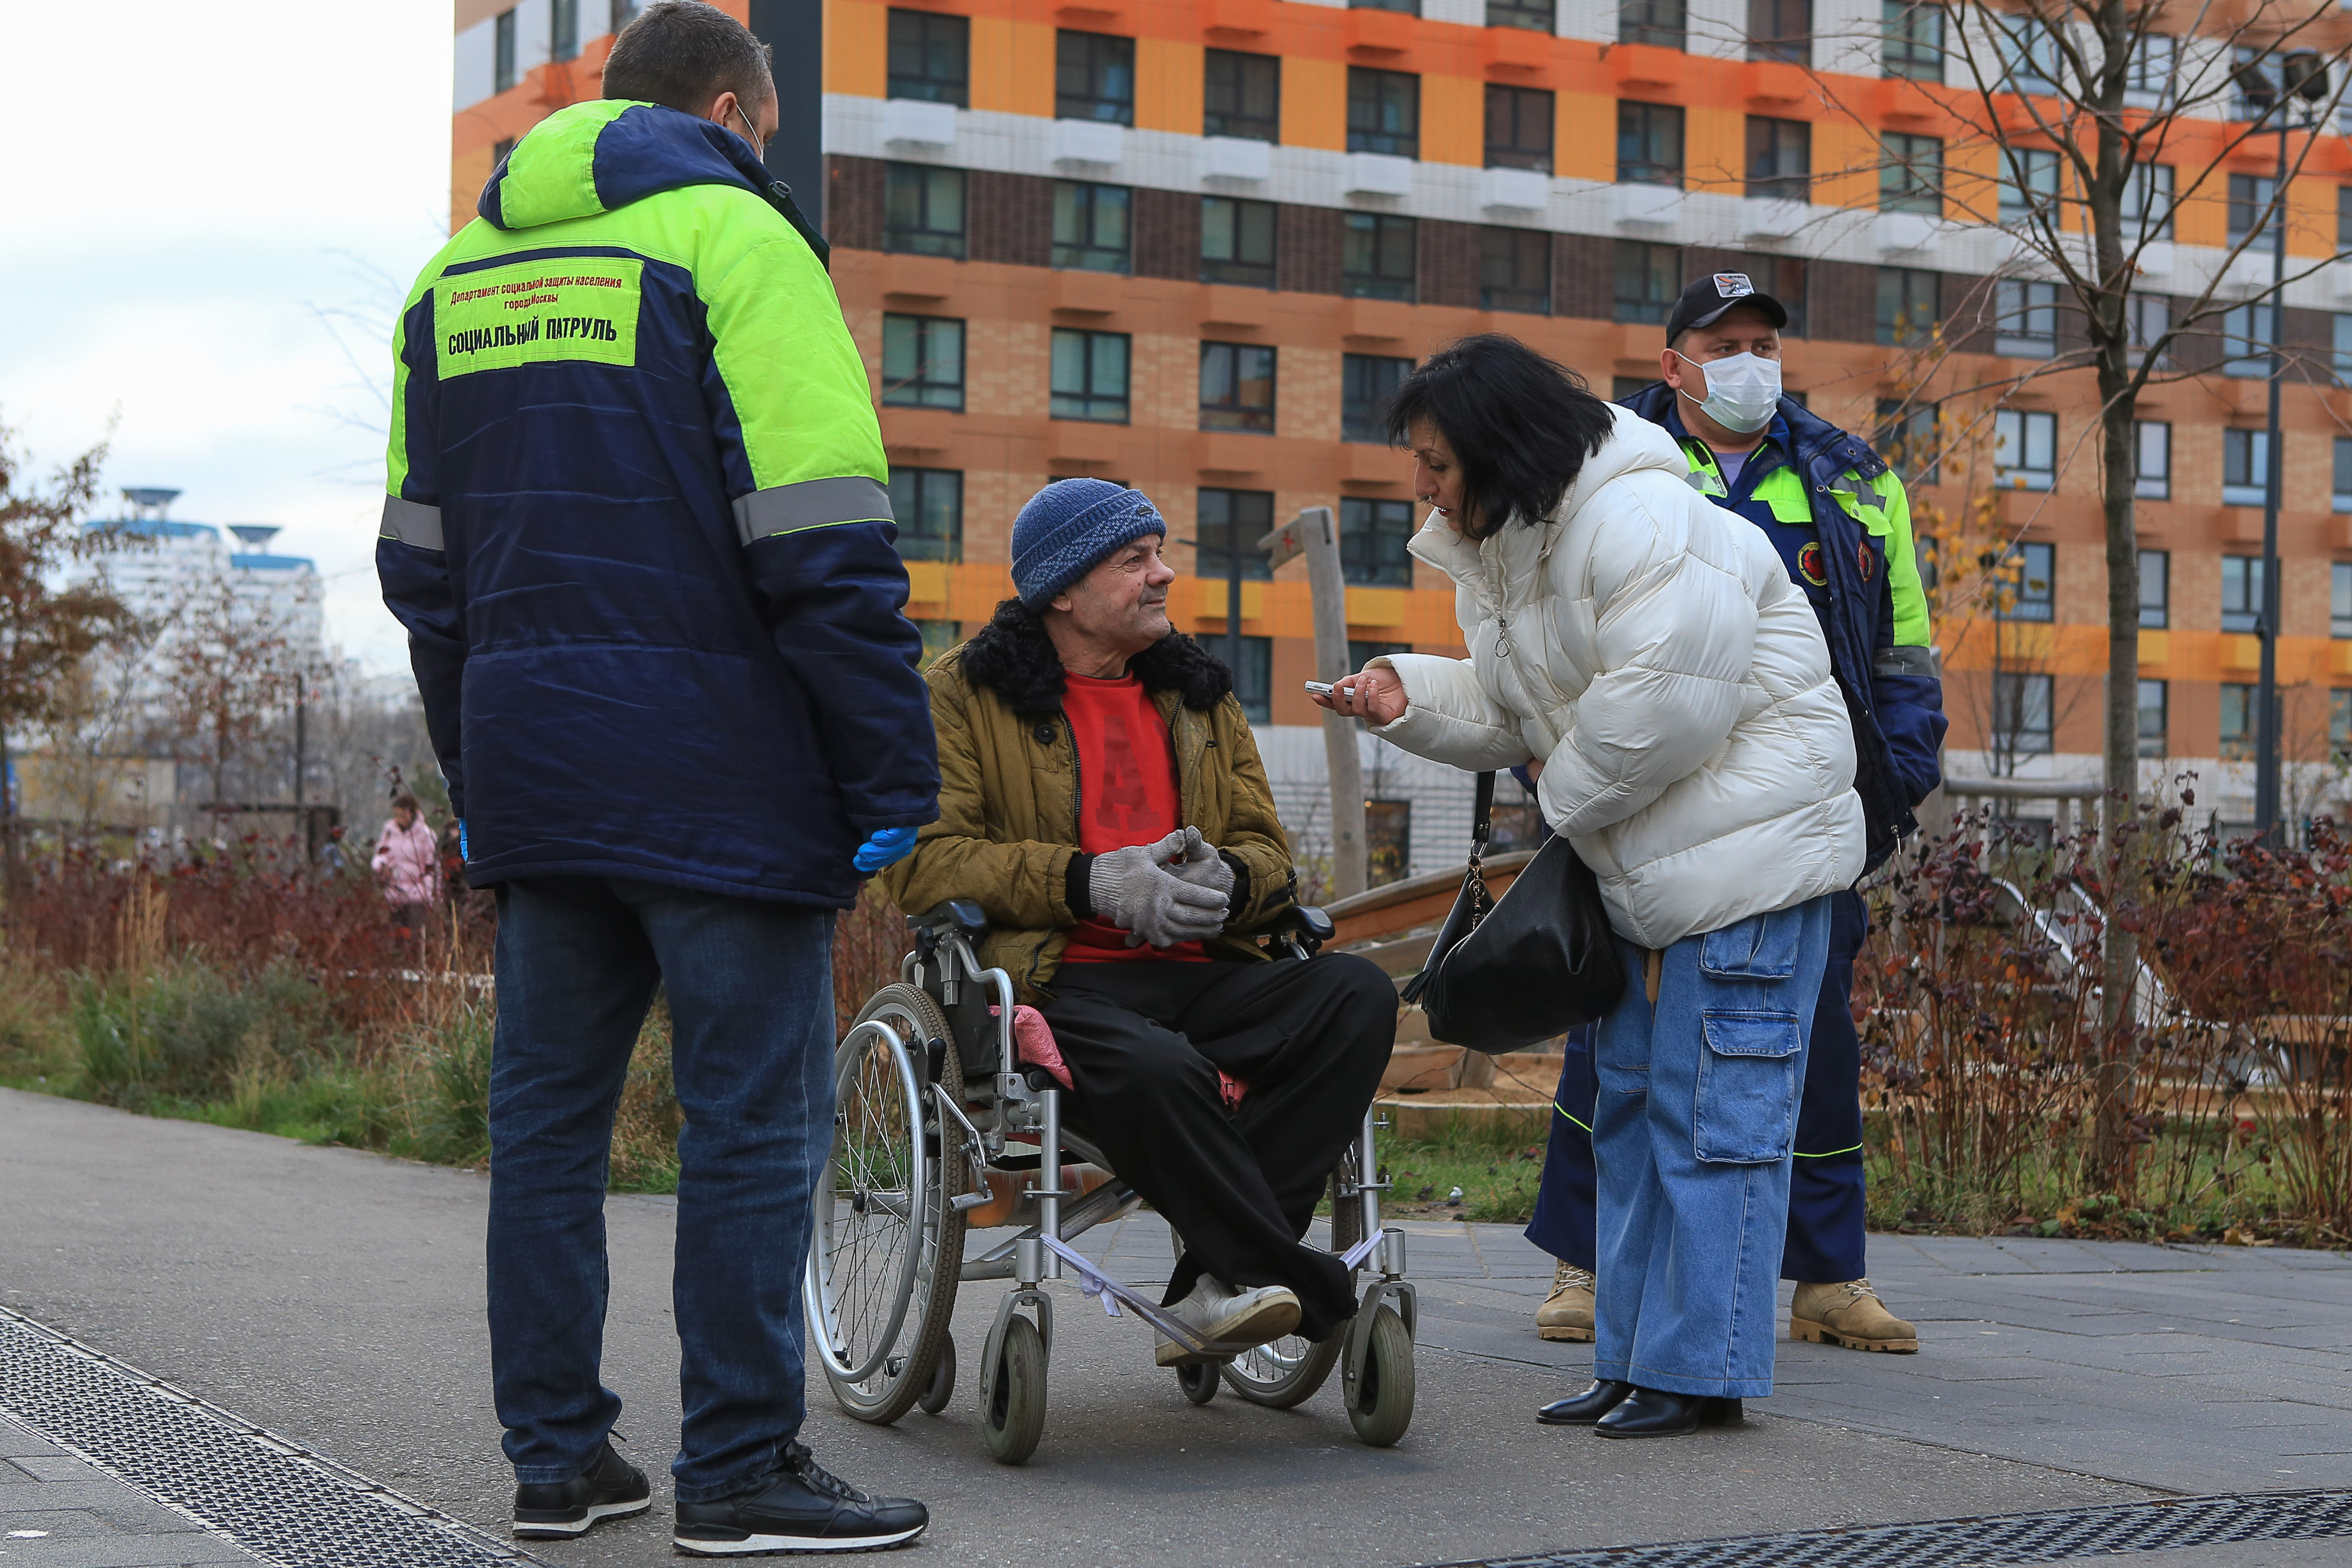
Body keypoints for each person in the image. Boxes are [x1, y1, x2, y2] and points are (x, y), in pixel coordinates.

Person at [375, 2, 937, 1554]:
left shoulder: (451, 285)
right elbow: (822, 536)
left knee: (546, 1128)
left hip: (542, 789)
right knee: (753, 1124)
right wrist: (889, 761)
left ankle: (558, 1463)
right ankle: (742, 1473)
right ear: (733, 110)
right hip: (727, 786)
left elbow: (423, 584)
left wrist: (479, 770)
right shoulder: (739, 243)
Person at [1317, 335, 1865, 1438]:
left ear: (1496, 446)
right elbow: (1523, 701)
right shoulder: (1523, 548)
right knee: (1632, 1119)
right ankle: (1635, 1359)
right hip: (1657, 871)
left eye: (1434, 460)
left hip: (1748, 869)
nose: (1420, 483)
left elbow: (1661, 710)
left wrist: (1553, 806)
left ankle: (1700, 1372)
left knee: (1716, 1128)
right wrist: (1404, 694)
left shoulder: (1644, 522)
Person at [1522, 274, 1947, 1357]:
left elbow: (1901, 647)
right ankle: (1586, 1258)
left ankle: (1828, 1275)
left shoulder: (1852, 479)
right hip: (1645, 798)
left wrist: (1892, 775)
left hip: (1801, 808)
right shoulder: (1602, 466)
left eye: (1763, 341)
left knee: (1813, 1034)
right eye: (1724, 342)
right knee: (1613, 1029)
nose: (1750, 360)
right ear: (1673, 362)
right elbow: (1547, 616)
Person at [881, 479, 1396, 1358]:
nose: (1163, 577)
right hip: (1058, 974)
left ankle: (1217, 1280)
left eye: (1160, 557)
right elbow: (925, 861)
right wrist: (1091, 884)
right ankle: (1302, 1285)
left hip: (1208, 968)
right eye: (1137, 561)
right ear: (1065, 591)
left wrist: (1231, 882)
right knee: (1163, 1071)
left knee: (1358, 995)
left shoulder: (1199, 694)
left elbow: (1266, 846)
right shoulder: (962, 694)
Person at [371, 791, 440, 934]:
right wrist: (381, 866)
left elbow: (431, 867)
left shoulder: (426, 835)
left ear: (411, 813)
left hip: (417, 898)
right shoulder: (389, 831)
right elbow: (381, 854)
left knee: (415, 936)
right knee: (397, 937)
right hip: (394, 896)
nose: (398, 819)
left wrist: (430, 896)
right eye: (395, 815)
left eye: (401, 815)